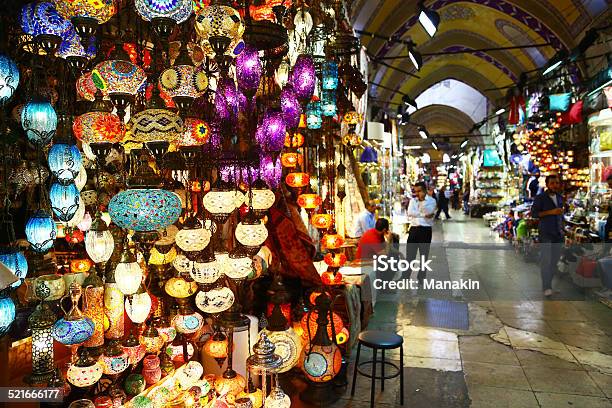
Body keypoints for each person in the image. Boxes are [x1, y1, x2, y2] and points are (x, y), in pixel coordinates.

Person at [532, 174, 564, 297]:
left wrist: (562, 228)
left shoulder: (560, 197)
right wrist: (551, 212)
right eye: (552, 183)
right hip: (546, 233)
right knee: (546, 261)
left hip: (558, 233)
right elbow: (534, 214)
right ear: (547, 184)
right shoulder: (540, 198)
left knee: (554, 261)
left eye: (557, 183)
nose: (555, 185)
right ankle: (546, 287)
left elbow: (560, 215)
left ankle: (549, 285)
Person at [406, 182, 437, 284]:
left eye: (419, 191)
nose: (417, 194)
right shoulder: (413, 201)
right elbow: (410, 213)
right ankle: (406, 276)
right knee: (410, 255)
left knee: (424, 255)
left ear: (424, 190)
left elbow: (429, 213)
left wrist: (419, 213)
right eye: (415, 191)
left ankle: (421, 277)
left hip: (425, 230)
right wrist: (423, 214)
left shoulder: (432, 201)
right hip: (414, 230)